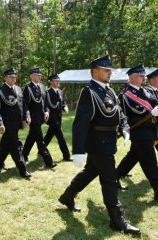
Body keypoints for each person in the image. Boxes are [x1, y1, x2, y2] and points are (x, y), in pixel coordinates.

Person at [58, 56, 140, 237]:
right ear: (95, 71)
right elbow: (80, 123)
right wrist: (78, 151)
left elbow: (120, 115)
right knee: (110, 180)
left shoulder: (110, 91)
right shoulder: (89, 92)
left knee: (90, 172)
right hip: (97, 144)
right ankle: (117, 220)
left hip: (109, 142)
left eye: (109, 70)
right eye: (106, 70)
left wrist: (125, 129)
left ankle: (67, 196)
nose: (109, 72)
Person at [117, 65, 158, 201]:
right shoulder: (126, 95)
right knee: (151, 164)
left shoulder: (145, 92)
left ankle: (114, 178)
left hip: (149, 131)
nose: (144, 78)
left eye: (143, 75)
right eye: (141, 75)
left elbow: (154, 102)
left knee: (132, 157)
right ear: (132, 77)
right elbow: (131, 114)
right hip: (139, 133)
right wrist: (151, 112)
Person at [0, 67, 31, 179]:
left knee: (6, 145)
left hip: (18, 123)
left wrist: (26, 116)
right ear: (5, 78)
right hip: (7, 125)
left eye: (14, 77)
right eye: (11, 77)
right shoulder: (0, 91)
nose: (13, 79)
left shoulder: (19, 89)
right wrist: (0, 124)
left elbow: (24, 105)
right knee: (16, 147)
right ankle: (23, 170)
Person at [22, 67, 56, 168]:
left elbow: (45, 101)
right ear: (31, 76)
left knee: (31, 137)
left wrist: (47, 111)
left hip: (41, 117)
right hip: (33, 118)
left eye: (40, 75)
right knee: (40, 140)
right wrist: (27, 115)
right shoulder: (28, 88)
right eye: (37, 75)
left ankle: (23, 155)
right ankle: (49, 161)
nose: (39, 76)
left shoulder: (42, 87)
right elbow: (25, 104)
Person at [43, 74, 71, 161]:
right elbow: (46, 104)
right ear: (51, 82)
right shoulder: (48, 92)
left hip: (59, 117)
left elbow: (62, 102)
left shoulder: (60, 91)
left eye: (58, 80)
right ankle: (67, 156)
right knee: (61, 137)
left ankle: (41, 149)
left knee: (49, 135)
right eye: (56, 80)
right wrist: (46, 111)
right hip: (52, 118)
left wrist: (65, 107)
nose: (58, 82)